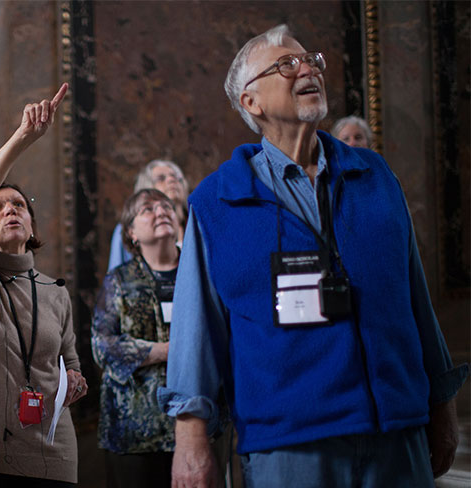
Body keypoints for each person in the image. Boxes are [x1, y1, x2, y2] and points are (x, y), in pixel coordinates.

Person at [159, 24, 467, 488]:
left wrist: (442, 402)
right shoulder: (216, 203)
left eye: (312, 60)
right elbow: (195, 331)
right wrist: (191, 439)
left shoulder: (374, 175)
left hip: (395, 435)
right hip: (290, 446)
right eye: (286, 64)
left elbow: (414, 297)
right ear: (251, 102)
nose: (307, 68)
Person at [0, 83, 88, 487]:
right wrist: (23, 138)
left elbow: (70, 363)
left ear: (31, 224)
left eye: (19, 205)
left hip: (52, 454)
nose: (9, 210)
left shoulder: (54, 291)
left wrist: (74, 380)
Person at [92, 189, 181, 487]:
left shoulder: (199, 273)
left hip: (194, 428)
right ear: (131, 232)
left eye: (166, 206)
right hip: (133, 432)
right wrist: (167, 351)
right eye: (148, 209)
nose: (161, 211)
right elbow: (102, 345)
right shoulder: (118, 280)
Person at [107, 160, 190, 271]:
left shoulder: (196, 223)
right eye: (161, 179)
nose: (171, 180)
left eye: (176, 177)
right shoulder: (126, 229)